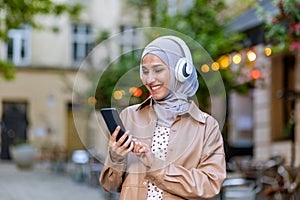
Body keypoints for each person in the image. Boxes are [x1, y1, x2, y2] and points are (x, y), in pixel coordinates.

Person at [99, 35, 226, 199]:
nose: (150, 79)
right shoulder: (129, 116)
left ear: (180, 72)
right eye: (145, 71)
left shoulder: (207, 126)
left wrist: (155, 164)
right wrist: (115, 158)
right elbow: (110, 185)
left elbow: (209, 186)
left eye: (158, 70)